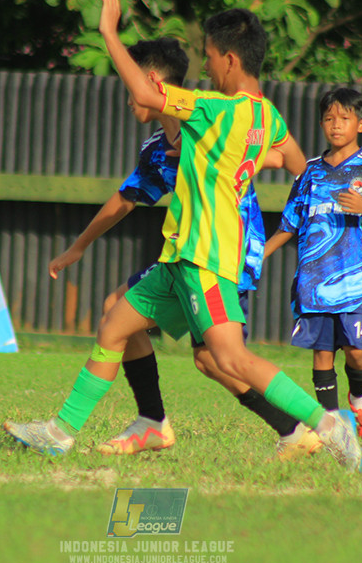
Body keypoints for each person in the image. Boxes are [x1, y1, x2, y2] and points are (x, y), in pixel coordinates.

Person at [4, 0, 362, 471]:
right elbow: (299, 164)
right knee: (115, 324)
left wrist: (109, 31)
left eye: (209, 57)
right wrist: (241, 163)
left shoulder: (214, 108)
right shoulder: (266, 115)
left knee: (229, 360)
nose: (206, 68)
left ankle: (327, 424)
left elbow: (147, 94)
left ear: (230, 59)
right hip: (179, 256)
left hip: (206, 258)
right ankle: (62, 433)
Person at [48, 38, 321, 460]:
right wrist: (78, 247)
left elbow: (280, 155)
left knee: (220, 359)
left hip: (221, 255)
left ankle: (315, 425)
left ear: (150, 81)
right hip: (184, 255)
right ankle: (147, 422)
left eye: (131, 88)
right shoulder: (159, 149)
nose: (129, 100)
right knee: (127, 317)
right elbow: (126, 199)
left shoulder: (209, 117)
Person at [264, 88, 362, 443]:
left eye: (344, 118)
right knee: (322, 353)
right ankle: (333, 427)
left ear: (361, 124)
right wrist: (258, 254)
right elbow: (289, 223)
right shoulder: (309, 171)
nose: (336, 125)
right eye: (329, 118)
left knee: (356, 352)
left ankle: (358, 400)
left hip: (358, 279)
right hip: (314, 280)